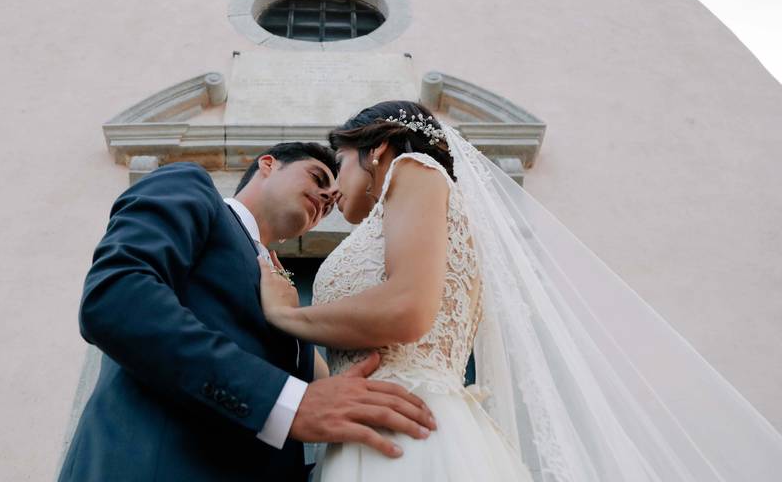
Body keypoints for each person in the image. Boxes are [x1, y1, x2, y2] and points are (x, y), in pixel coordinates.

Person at [260, 101, 782, 481]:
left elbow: (407, 310)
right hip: (368, 420)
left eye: (341, 161)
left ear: (376, 150)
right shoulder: (410, 216)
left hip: (409, 428)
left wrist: (286, 315)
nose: (333, 187)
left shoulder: (414, 171)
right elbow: (358, 355)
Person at [58, 142, 437, 482]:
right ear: (268, 164)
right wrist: (285, 402)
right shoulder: (191, 187)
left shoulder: (286, 296)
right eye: (318, 177)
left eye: (331, 197)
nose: (326, 196)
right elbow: (116, 298)